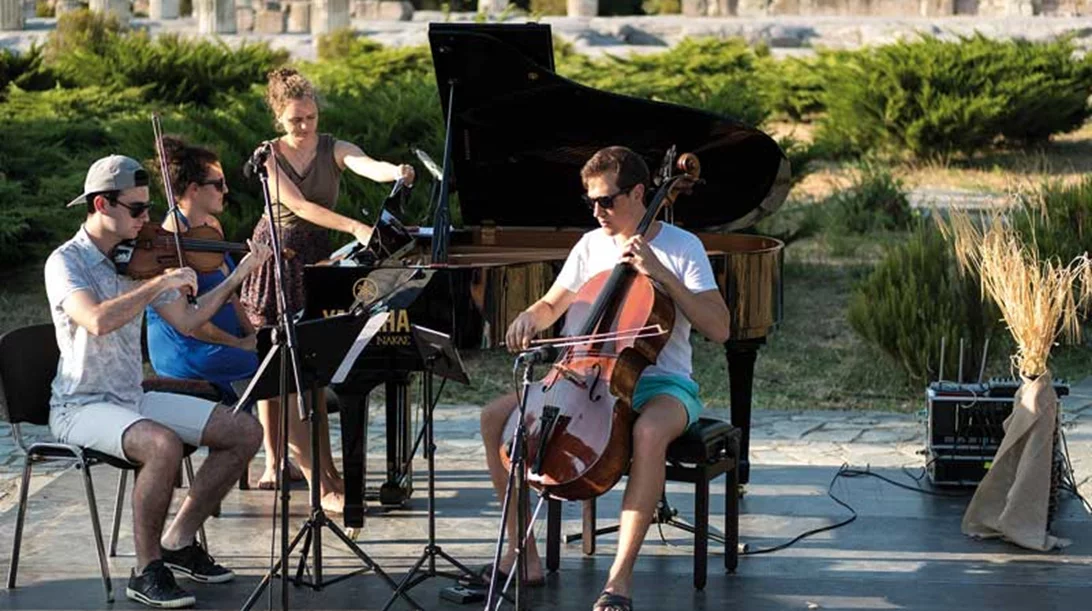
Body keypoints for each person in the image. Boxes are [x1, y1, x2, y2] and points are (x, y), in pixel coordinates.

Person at [478, 146, 730, 611]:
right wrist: (530, 317)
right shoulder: (591, 245)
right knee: (495, 418)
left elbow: (719, 327)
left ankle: (619, 580)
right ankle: (524, 553)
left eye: (606, 201)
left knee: (649, 432)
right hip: (583, 375)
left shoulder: (682, 246)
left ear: (638, 193)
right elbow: (553, 304)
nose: (597, 212)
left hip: (662, 384)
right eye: (590, 202)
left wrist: (662, 276)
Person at [46, 154, 271, 609]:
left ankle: (178, 539)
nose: (149, 220)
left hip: (130, 397)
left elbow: (187, 319)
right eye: (137, 210)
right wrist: (153, 287)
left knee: (245, 431)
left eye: (148, 208)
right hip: (81, 406)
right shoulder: (66, 262)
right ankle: (147, 569)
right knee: (162, 444)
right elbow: (95, 320)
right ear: (101, 205)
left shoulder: (143, 256)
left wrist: (237, 277)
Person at [239, 67, 416, 514]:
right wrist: (355, 226)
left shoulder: (332, 146)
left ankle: (324, 470)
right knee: (278, 368)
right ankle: (277, 460)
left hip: (316, 260)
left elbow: (363, 164)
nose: (304, 127)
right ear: (279, 117)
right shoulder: (269, 156)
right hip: (278, 256)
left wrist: (391, 171)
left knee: (307, 371)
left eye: (311, 118)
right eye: (296, 120)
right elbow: (297, 205)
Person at [145, 136, 303, 489]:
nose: (225, 190)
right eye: (217, 184)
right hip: (189, 351)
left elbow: (231, 296)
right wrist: (239, 344)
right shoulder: (172, 240)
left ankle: (278, 461)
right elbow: (193, 322)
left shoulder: (210, 229)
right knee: (278, 372)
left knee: (279, 356)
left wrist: (253, 336)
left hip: (225, 343)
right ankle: (307, 472)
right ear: (192, 189)